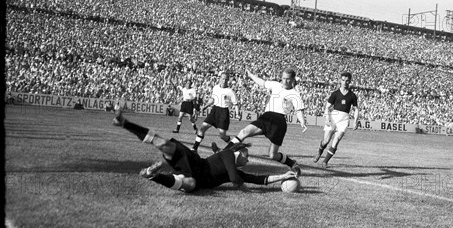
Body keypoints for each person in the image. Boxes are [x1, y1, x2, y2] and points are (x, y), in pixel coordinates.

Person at [112, 108, 297, 192]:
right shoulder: (227, 155)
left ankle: (153, 175)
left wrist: (283, 176)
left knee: (190, 184)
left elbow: (260, 180)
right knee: (162, 143)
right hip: (194, 162)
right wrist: (242, 185)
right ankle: (125, 123)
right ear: (239, 151)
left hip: (197, 180)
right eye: (246, 157)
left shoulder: (232, 164)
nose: (248, 161)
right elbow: (234, 179)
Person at [213, 68, 307, 176]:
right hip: (266, 117)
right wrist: (250, 74)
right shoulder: (276, 85)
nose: (284, 81)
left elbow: (299, 110)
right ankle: (222, 153)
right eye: (283, 78)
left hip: (279, 122)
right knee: (244, 132)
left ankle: (292, 163)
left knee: (272, 155)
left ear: (293, 79)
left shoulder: (295, 94)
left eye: (288, 79)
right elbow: (262, 82)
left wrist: (302, 122)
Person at [313, 72, 359, 167]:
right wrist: (327, 118)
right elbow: (328, 107)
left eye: (347, 81)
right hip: (333, 117)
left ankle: (325, 161)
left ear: (350, 82)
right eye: (343, 80)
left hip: (344, 119)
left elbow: (356, 109)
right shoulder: (335, 94)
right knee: (326, 141)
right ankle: (319, 152)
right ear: (340, 81)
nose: (345, 82)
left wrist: (355, 121)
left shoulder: (352, 96)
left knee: (336, 139)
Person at [192, 71, 241, 151]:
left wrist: (237, 113)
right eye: (223, 78)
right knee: (202, 129)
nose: (224, 80)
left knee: (222, 136)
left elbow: (236, 104)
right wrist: (205, 106)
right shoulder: (215, 88)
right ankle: (194, 148)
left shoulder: (230, 91)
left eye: (226, 79)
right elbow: (212, 99)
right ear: (220, 79)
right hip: (214, 110)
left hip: (223, 112)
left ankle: (234, 146)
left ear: (228, 80)